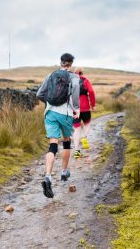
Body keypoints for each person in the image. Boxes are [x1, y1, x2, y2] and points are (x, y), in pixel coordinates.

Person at [36, 53, 80, 198]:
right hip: (65, 113)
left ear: (61, 62)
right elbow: (74, 96)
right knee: (66, 140)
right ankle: (63, 172)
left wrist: (50, 103)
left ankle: (48, 176)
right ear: (71, 63)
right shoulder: (74, 77)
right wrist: (77, 109)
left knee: (52, 145)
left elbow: (39, 94)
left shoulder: (50, 75)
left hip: (50, 112)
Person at [73, 68, 96, 159]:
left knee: (76, 130)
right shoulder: (86, 81)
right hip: (85, 108)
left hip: (75, 109)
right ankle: (84, 137)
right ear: (82, 73)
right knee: (87, 125)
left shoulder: (71, 82)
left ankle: (77, 152)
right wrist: (93, 105)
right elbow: (91, 92)